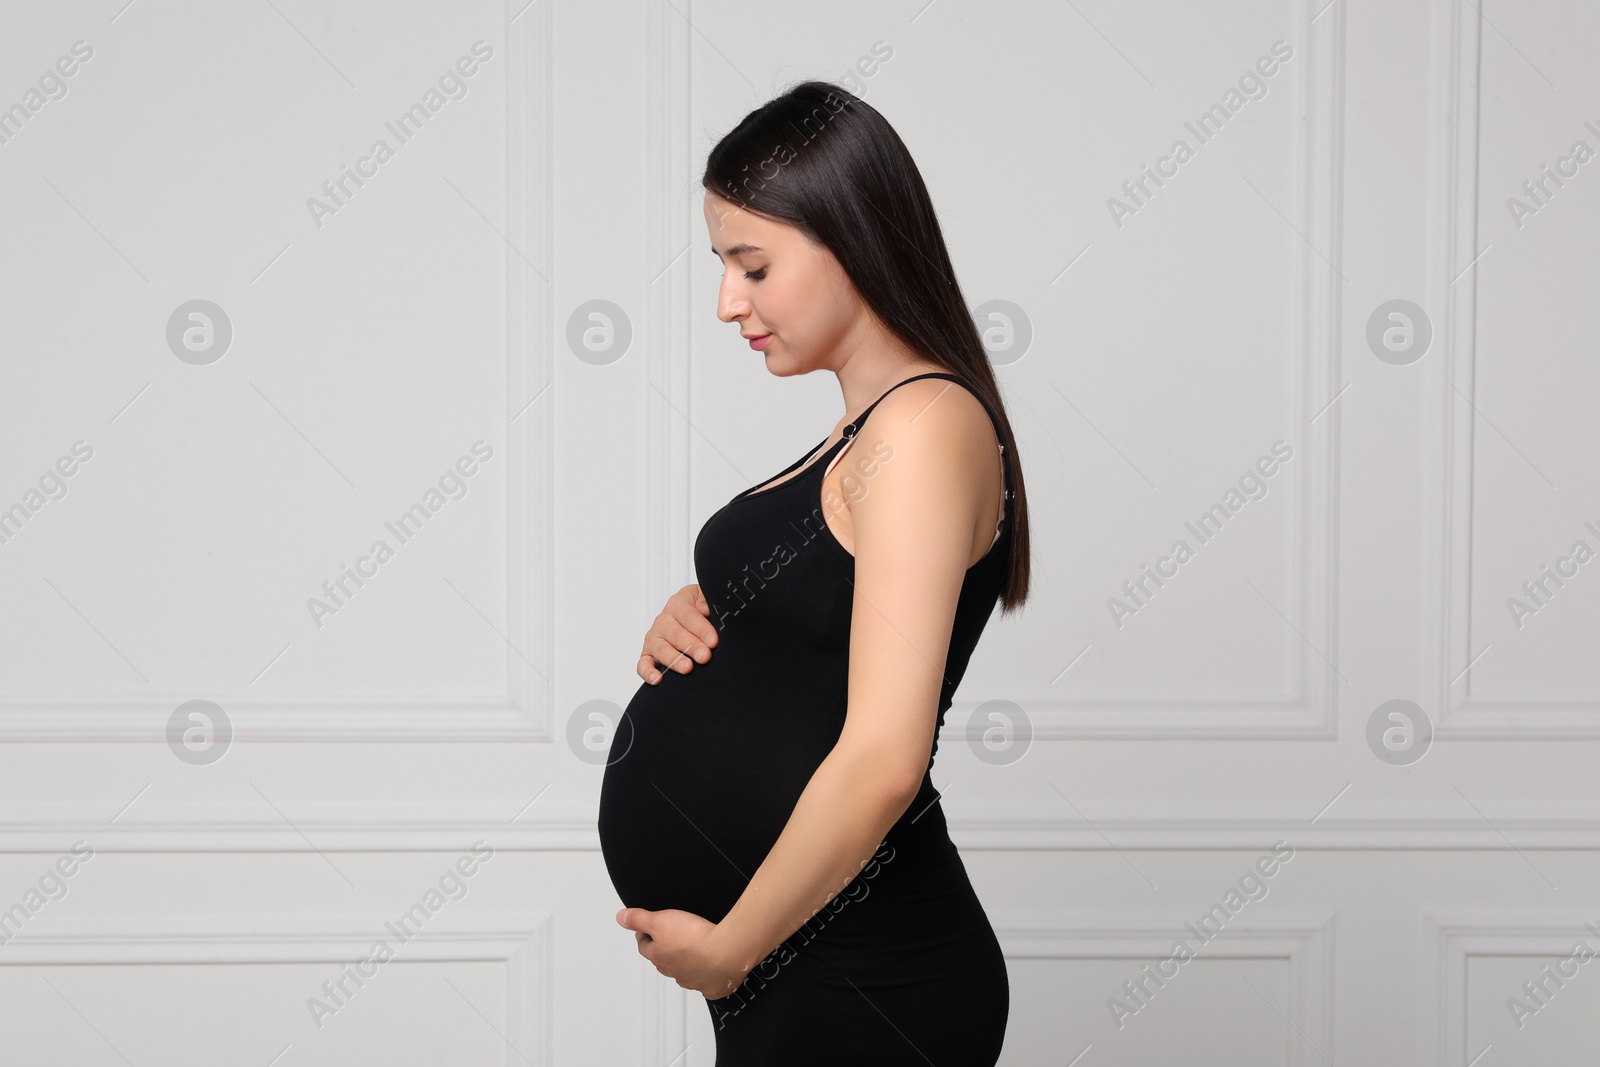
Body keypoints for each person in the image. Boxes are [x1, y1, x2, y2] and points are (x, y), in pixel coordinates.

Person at [597, 79, 1032, 1066]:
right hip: (806, 974)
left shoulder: (922, 428)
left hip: (861, 974)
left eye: (752, 266)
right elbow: (819, 636)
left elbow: (884, 756)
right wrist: (708, 618)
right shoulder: (865, 433)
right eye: (720, 266)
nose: (725, 303)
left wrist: (732, 949)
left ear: (854, 238)